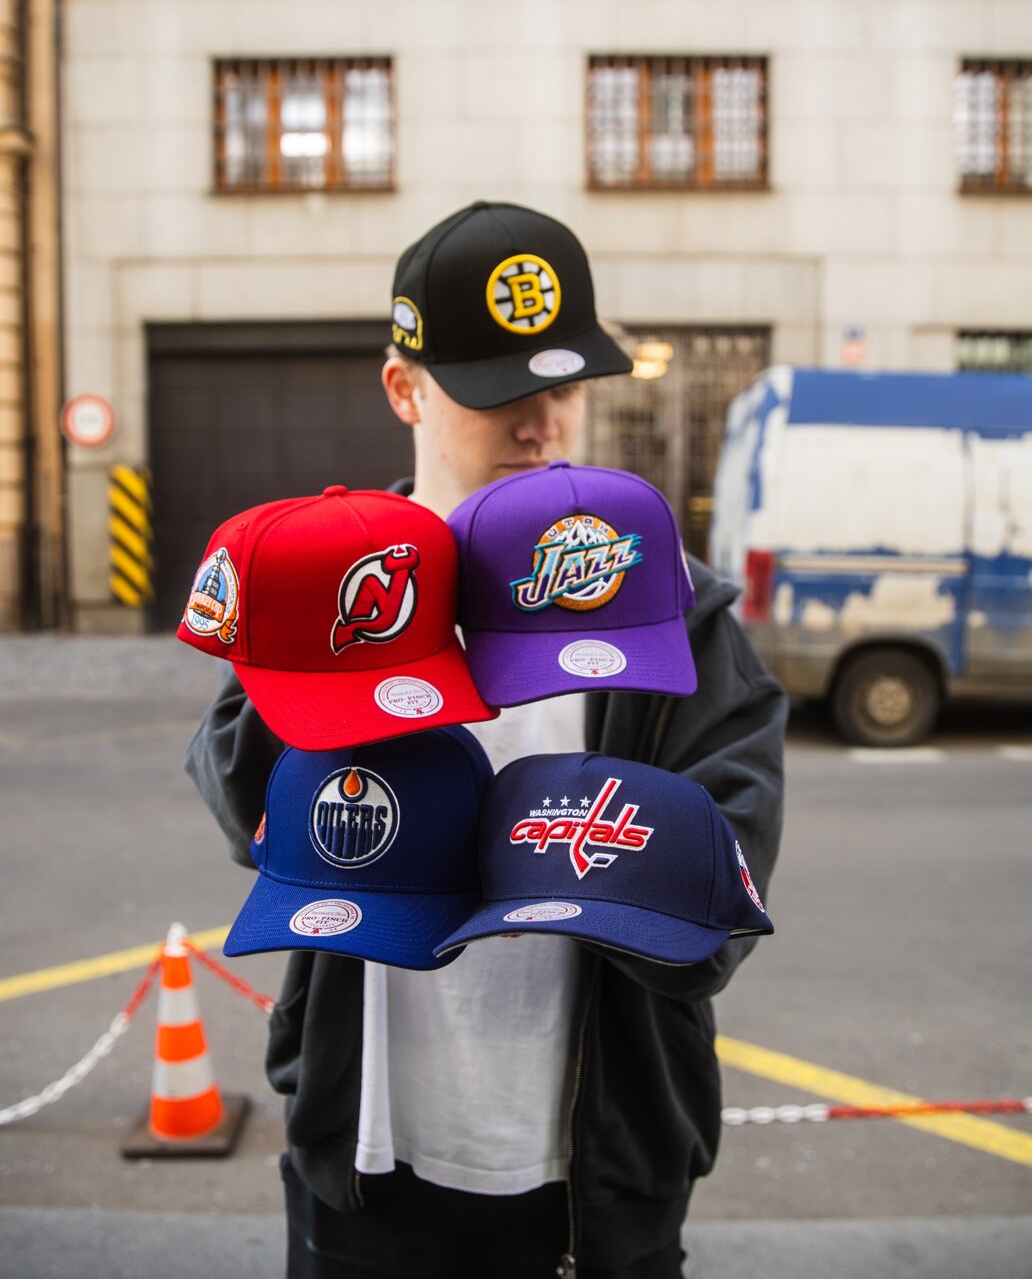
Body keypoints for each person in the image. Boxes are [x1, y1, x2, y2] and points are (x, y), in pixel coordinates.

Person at [184, 201, 787, 1279]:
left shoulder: (673, 608)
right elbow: (242, 808)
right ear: (402, 388)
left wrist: (609, 861)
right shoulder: (333, 588)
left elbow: (724, 901)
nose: (541, 425)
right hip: (367, 1160)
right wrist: (317, 662)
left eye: (565, 388)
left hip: (600, 1175)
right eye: (500, 391)